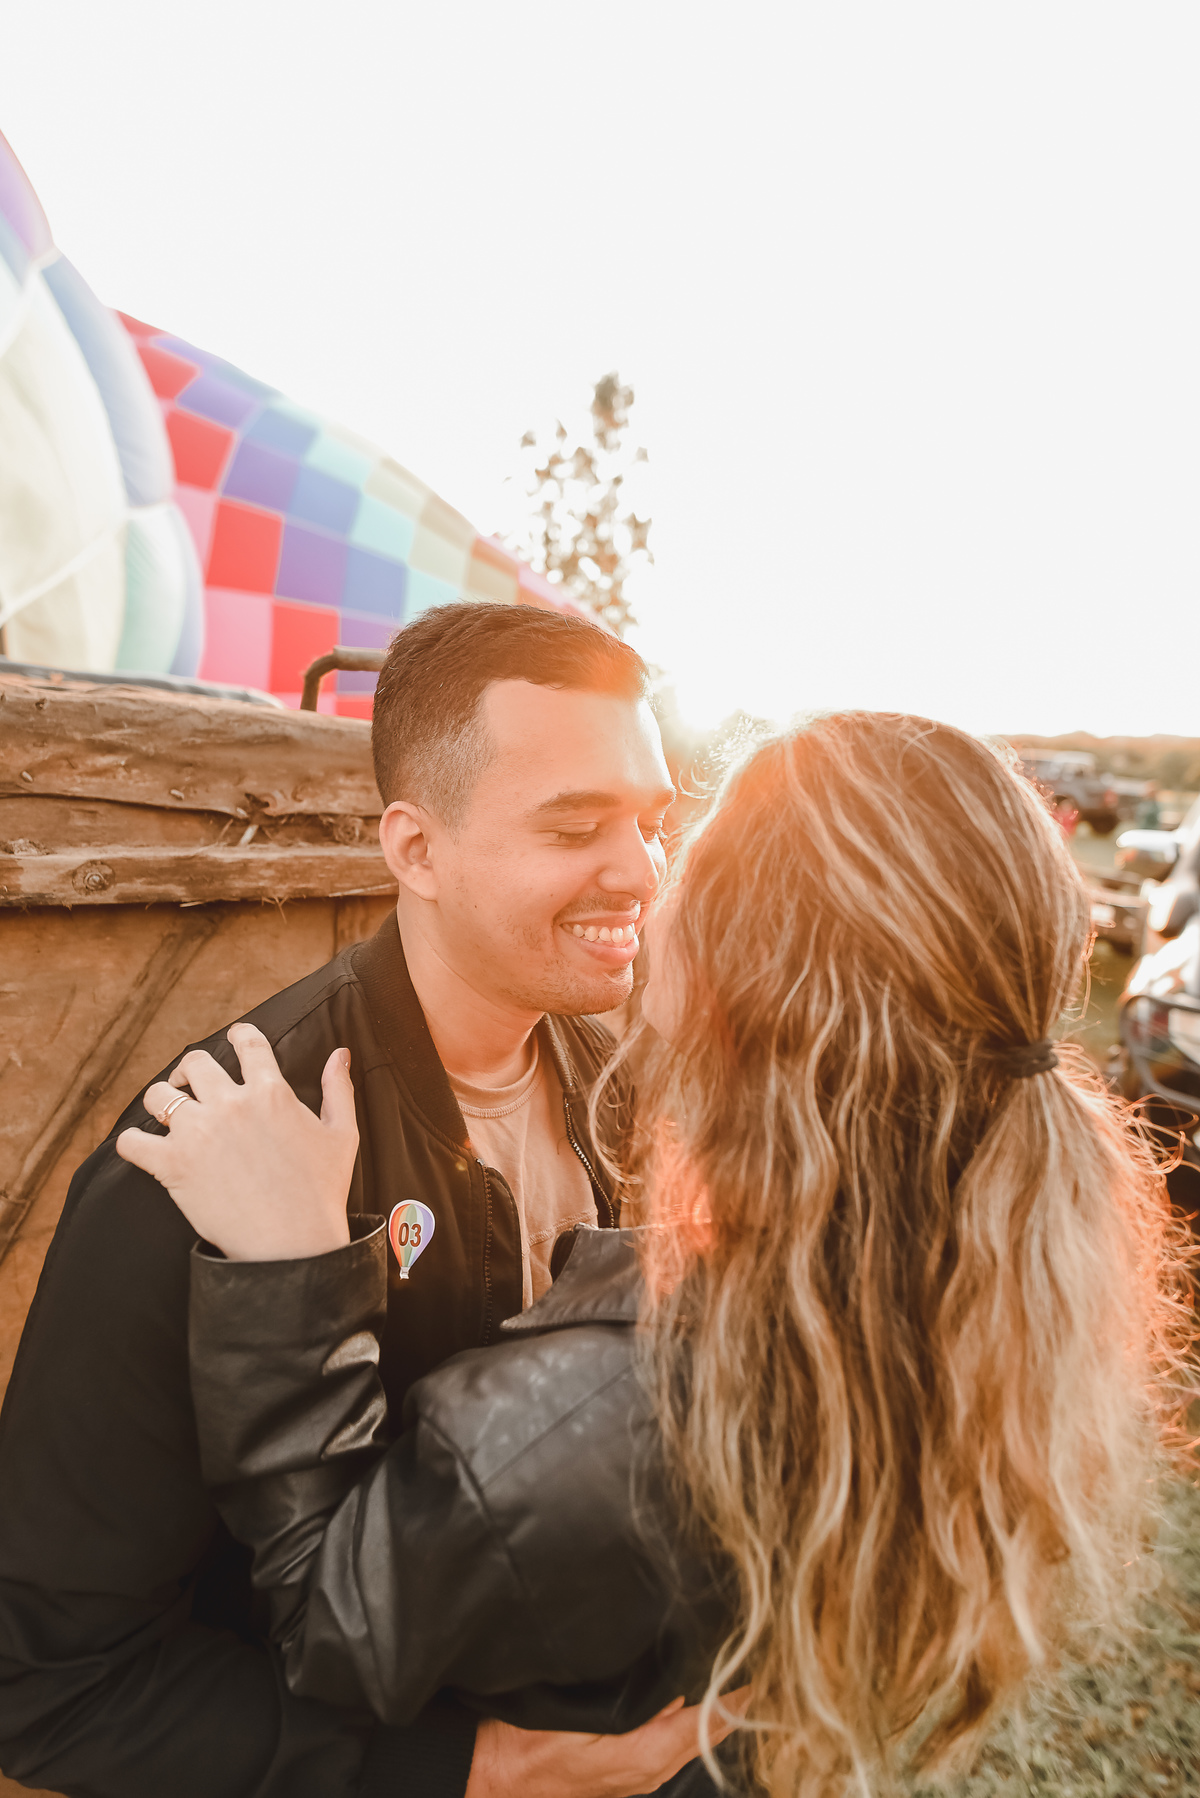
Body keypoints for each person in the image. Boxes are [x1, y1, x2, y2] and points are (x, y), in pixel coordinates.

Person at [118, 713, 1189, 1798]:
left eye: (685, 851)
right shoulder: (938, 1282)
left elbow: (323, 1617)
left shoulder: (584, 1423)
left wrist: (290, 1270)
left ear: (740, 977)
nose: (641, 878)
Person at [0, 603, 715, 1798]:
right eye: (574, 826)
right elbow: (50, 1685)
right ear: (416, 850)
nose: (640, 870)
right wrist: (483, 1768)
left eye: (652, 821)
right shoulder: (197, 1164)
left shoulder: (634, 1093)